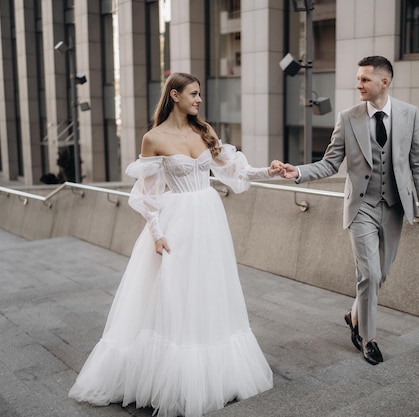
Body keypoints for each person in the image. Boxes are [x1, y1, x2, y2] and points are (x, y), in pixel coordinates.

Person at [69, 72, 281, 417]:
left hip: (209, 218)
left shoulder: (204, 130)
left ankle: (216, 373)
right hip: (176, 221)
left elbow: (232, 171)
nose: (199, 100)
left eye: (199, 94)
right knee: (177, 294)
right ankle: (176, 375)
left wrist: (269, 171)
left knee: (210, 290)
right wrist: (156, 233)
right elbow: (146, 194)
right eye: (193, 94)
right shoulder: (153, 139)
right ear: (175, 95)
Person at [280, 56, 419, 365]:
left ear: (384, 82)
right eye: (358, 78)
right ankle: (369, 338)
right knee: (369, 273)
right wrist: (297, 171)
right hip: (361, 206)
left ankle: (354, 314)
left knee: (381, 275)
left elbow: (418, 164)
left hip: (395, 207)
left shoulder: (409, 114)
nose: (358, 84)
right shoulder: (348, 117)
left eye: (364, 79)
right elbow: (329, 162)